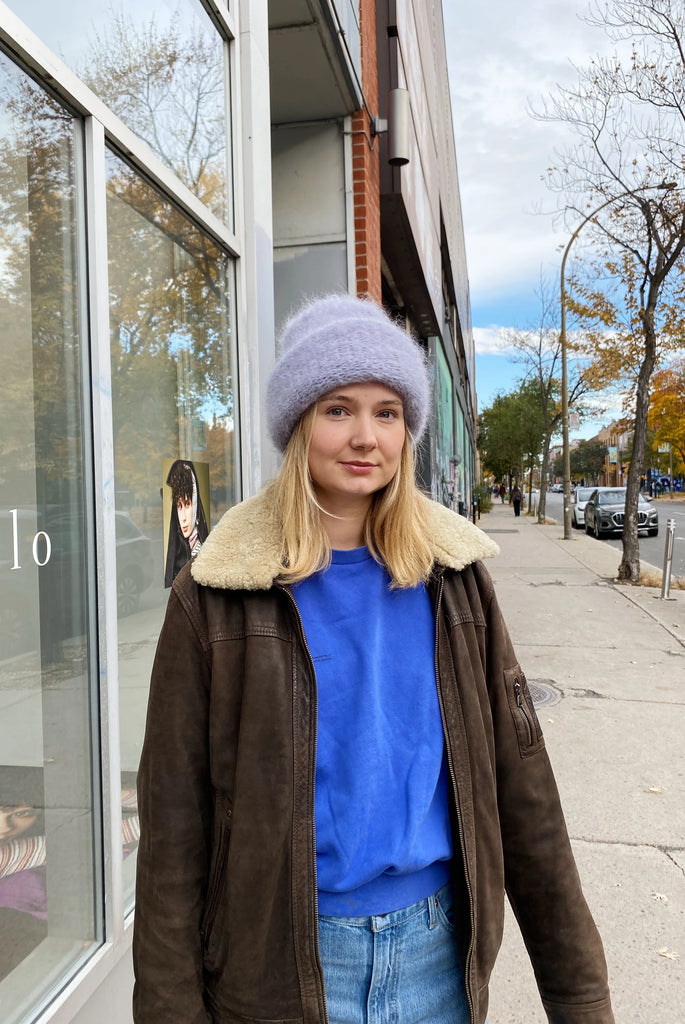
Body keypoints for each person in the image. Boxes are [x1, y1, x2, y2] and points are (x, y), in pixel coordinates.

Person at [132, 294, 614, 1024]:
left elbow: (525, 797)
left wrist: (580, 999)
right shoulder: (216, 595)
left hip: (433, 962)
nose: (364, 436)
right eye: (337, 409)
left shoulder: (456, 581)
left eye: (386, 412)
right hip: (275, 975)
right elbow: (173, 832)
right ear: (297, 424)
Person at [164, 459, 209, 586]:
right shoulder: (177, 556)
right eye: (179, 506)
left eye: (187, 504)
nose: (183, 517)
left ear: (195, 504)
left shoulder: (205, 548)